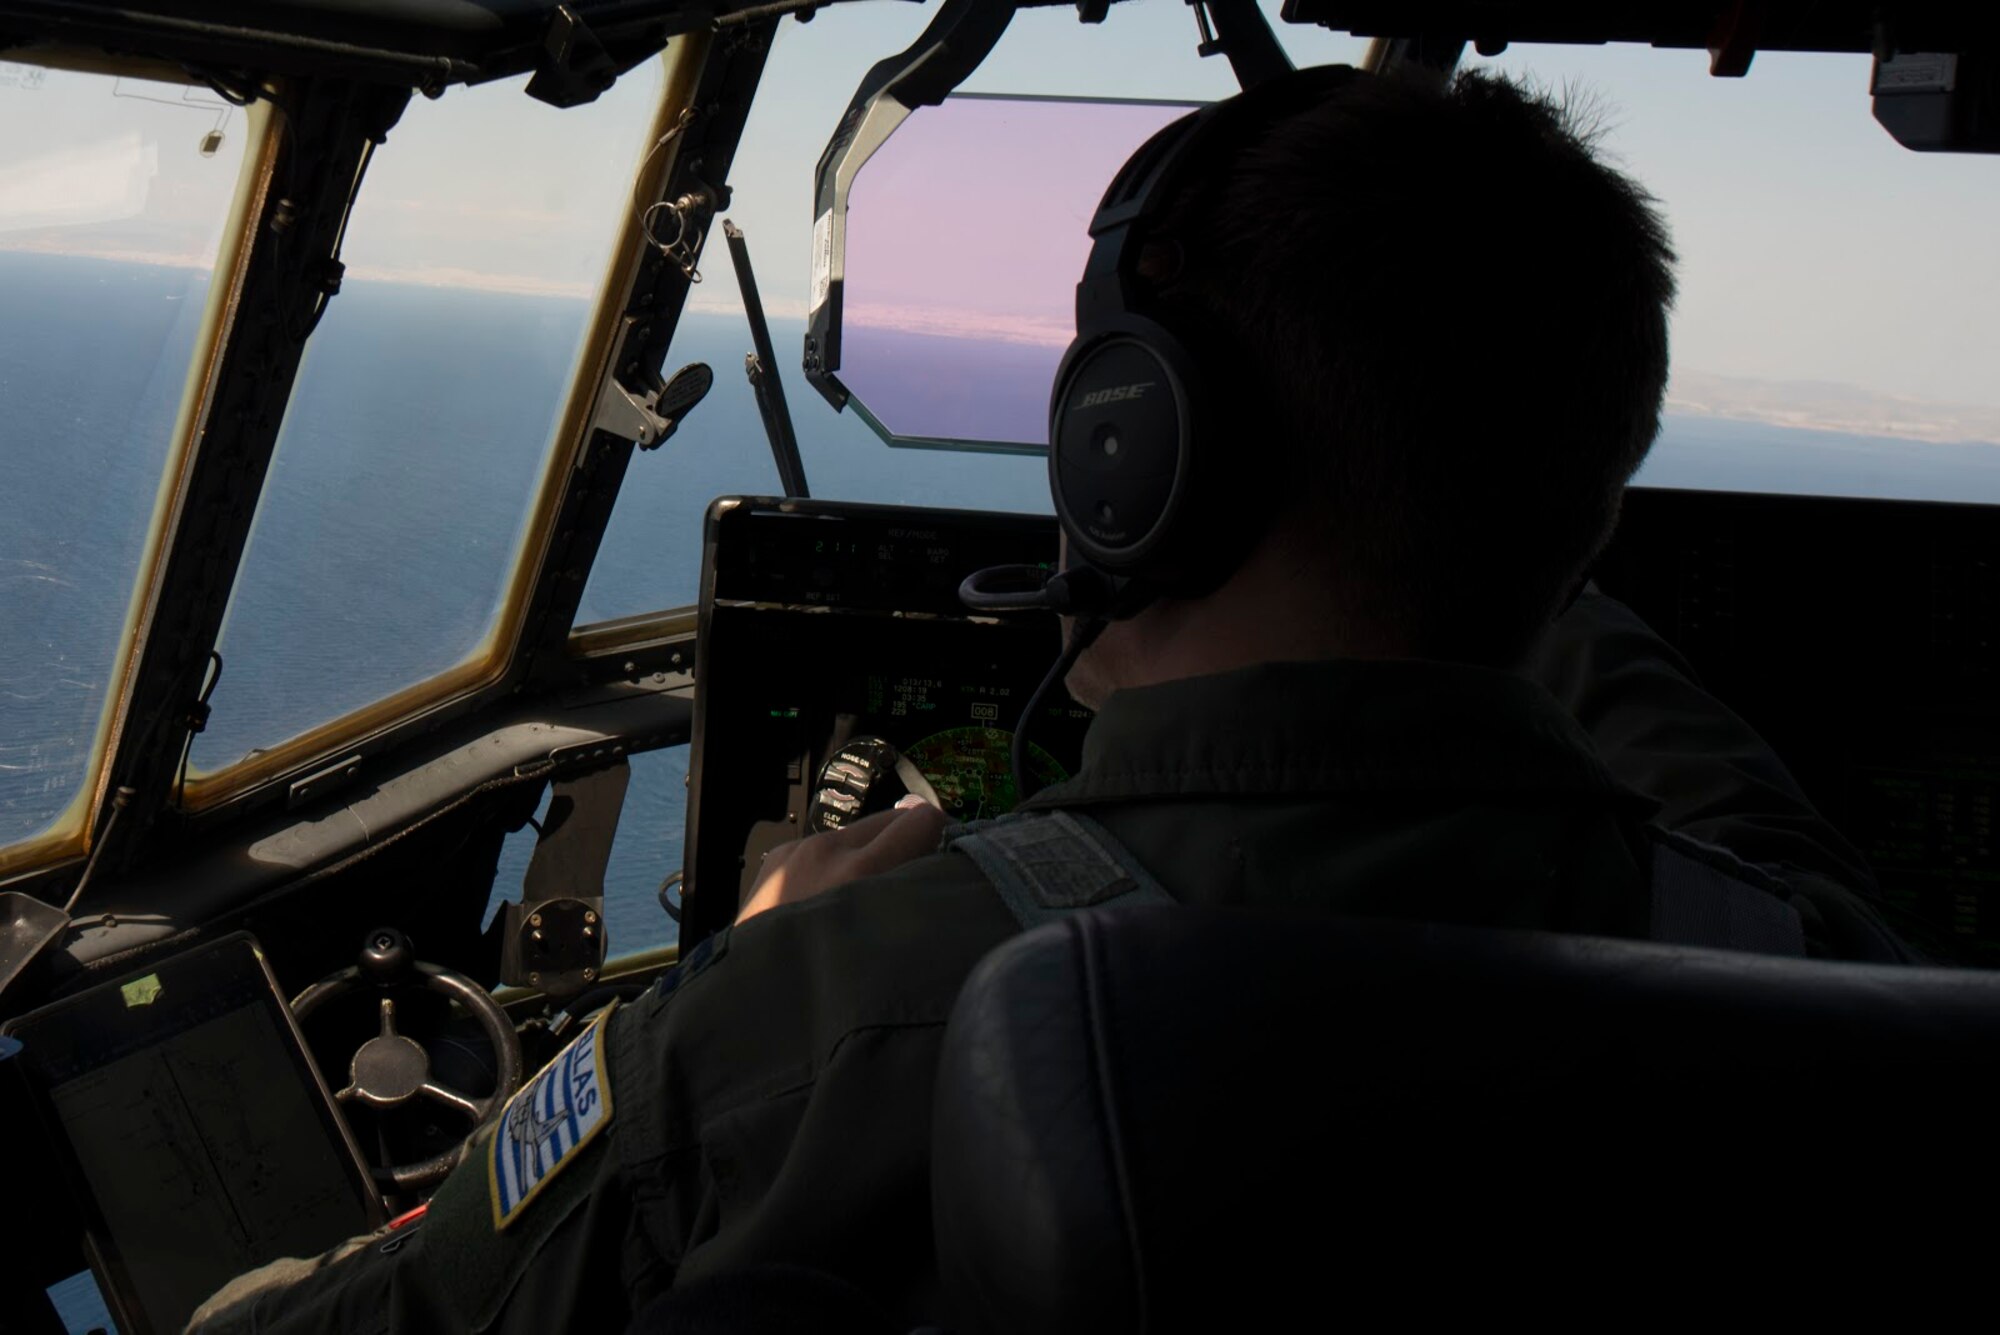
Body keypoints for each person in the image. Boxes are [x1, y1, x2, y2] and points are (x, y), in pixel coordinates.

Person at [188, 62, 1912, 1335]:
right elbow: (1722, 787)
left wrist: (749, 959)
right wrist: (1486, 489)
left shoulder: (844, 1012)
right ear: (1585, 506)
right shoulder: (1822, 975)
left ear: (1129, 445)